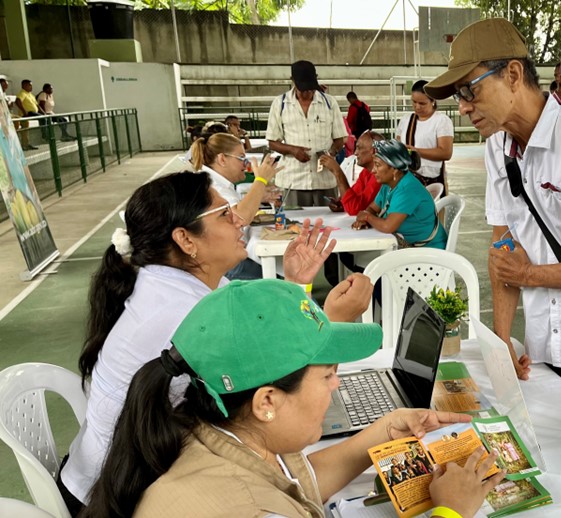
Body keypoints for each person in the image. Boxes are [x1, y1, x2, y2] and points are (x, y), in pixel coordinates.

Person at [58, 172, 370, 515]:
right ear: (186, 240)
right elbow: (281, 370)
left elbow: (271, 345)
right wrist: (336, 317)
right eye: (224, 214)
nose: (240, 218)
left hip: (112, 476)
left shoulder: (177, 285)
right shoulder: (183, 311)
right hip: (113, 497)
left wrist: (295, 286)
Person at [81, 279, 504, 517]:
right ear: (267, 401)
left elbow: (295, 482)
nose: (337, 385)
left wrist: (380, 433)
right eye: (328, 375)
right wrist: (451, 511)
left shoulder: (208, 426)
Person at [423, 18, 561, 428]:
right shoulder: (498, 147)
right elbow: (503, 246)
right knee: (553, 459)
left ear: (512, 74)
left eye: (470, 90)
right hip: (544, 339)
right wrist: (503, 341)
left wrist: (530, 273)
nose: (464, 107)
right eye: (458, 95)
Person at [189, 132, 282, 280]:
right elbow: (240, 218)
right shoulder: (212, 185)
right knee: (285, 282)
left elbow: (234, 210)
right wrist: (261, 180)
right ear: (222, 159)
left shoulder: (214, 181)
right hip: (224, 263)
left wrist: (259, 196)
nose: (246, 165)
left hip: (223, 256)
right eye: (241, 158)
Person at [266, 60, 347, 207]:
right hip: (293, 180)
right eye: (303, 89)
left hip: (325, 180)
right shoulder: (280, 104)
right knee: (296, 224)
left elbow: (339, 138)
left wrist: (331, 153)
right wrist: (293, 150)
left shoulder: (330, 103)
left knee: (331, 224)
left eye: (311, 89)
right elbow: (272, 142)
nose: (307, 93)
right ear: (293, 82)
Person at [352, 139, 446, 250]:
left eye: (377, 165)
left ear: (394, 170)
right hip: (410, 245)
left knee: (363, 256)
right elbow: (373, 207)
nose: (373, 170)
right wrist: (366, 218)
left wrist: (367, 217)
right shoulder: (389, 184)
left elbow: (388, 226)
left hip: (428, 251)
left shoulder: (407, 189)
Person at [395, 80, 454, 192]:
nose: (417, 107)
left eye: (422, 103)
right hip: (405, 179)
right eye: (414, 102)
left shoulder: (441, 121)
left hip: (430, 181)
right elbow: (398, 145)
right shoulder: (406, 120)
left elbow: (446, 153)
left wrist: (416, 151)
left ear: (433, 101)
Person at [320, 130, 383, 215]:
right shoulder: (366, 172)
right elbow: (354, 196)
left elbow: (355, 209)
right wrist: (342, 203)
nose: (355, 153)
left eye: (359, 148)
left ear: (374, 151)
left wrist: (338, 172)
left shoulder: (379, 175)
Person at [15, 79, 42, 150]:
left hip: (33, 113)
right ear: (24, 85)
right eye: (29, 85)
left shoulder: (30, 94)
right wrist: (24, 111)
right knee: (42, 118)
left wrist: (45, 114)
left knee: (45, 117)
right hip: (26, 114)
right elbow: (18, 101)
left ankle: (26, 144)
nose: (31, 87)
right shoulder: (22, 93)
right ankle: (45, 136)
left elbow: (37, 105)